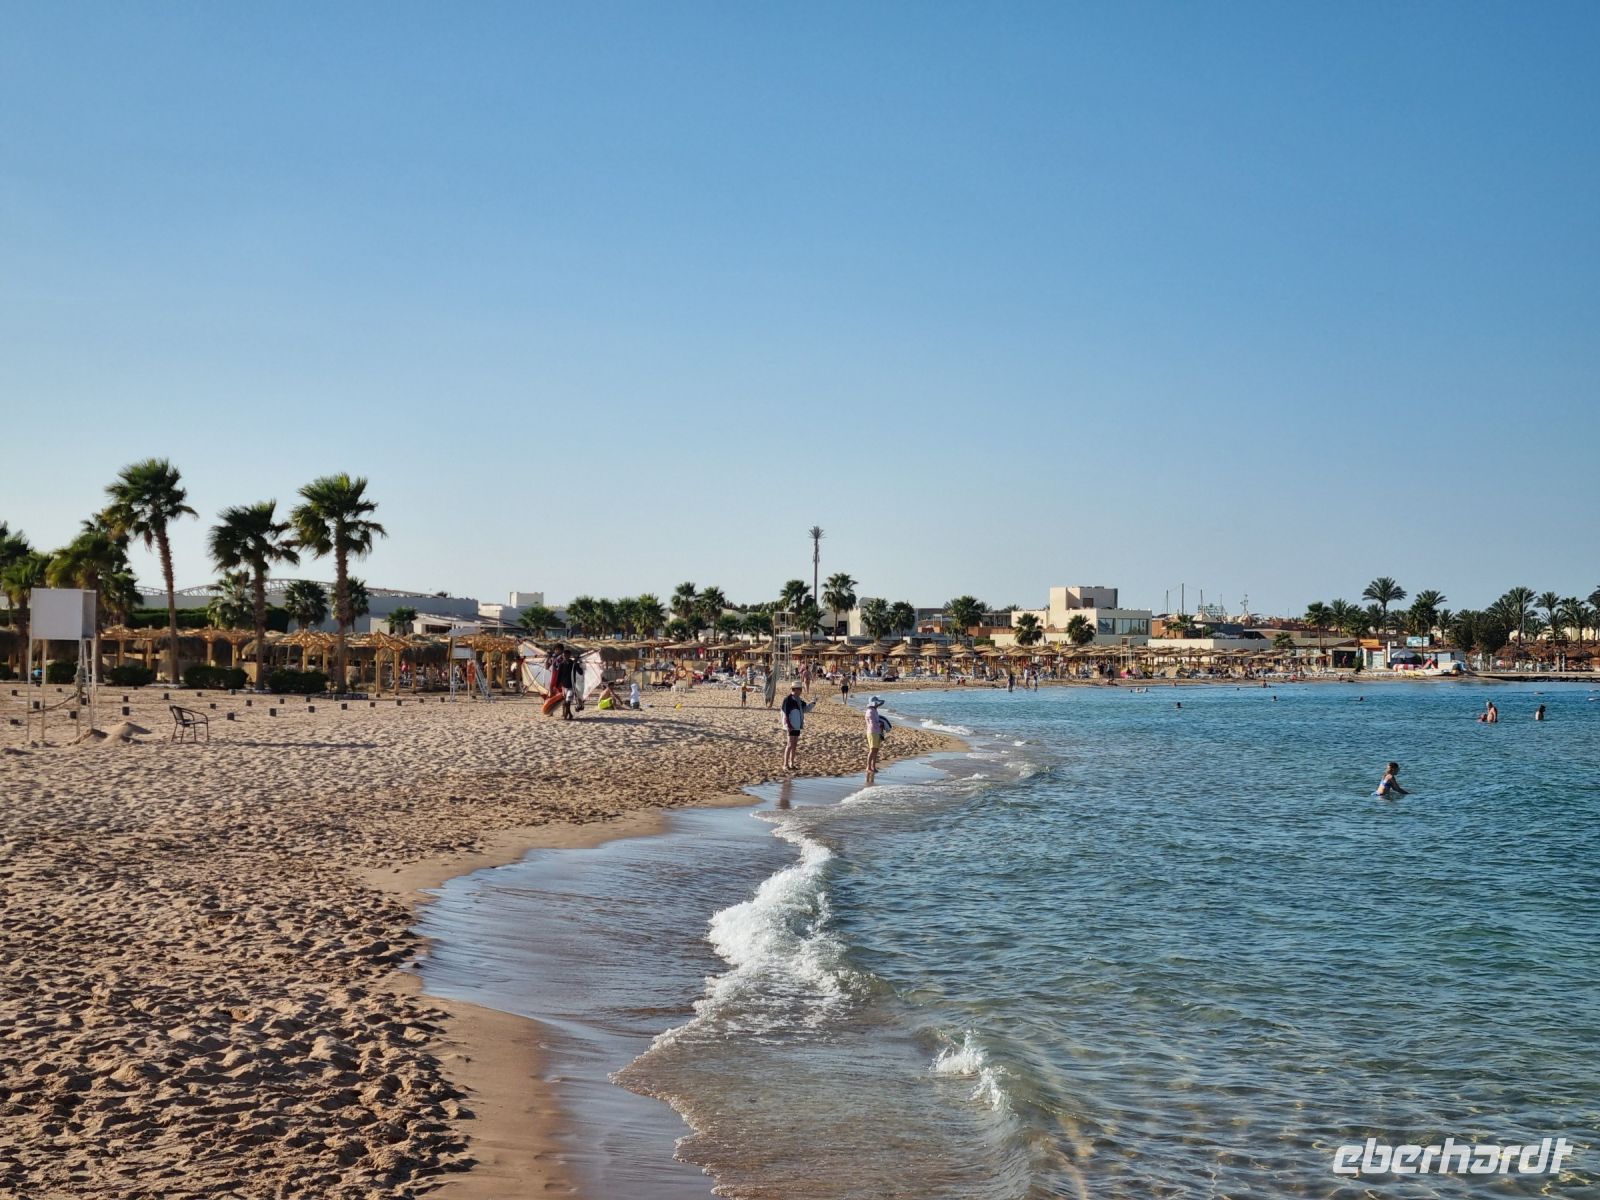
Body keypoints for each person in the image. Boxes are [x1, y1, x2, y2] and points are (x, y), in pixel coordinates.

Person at [781, 682, 815, 770]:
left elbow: (805, 709)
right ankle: (785, 765)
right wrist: (788, 725)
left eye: (801, 689)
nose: (801, 691)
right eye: (799, 689)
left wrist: (813, 703)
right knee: (789, 744)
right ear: (795, 689)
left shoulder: (799, 700)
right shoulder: (787, 699)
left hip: (797, 726)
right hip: (790, 726)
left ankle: (791, 764)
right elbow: (785, 713)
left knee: (794, 745)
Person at [865, 695, 891, 775]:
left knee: (875, 750)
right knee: (872, 750)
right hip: (873, 732)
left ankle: (873, 766)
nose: (877, 704)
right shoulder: (870, 711)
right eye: (876, 703)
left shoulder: (874, 710)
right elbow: (873, 723)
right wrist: (881, 724)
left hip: (876, 732)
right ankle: (868, 767)